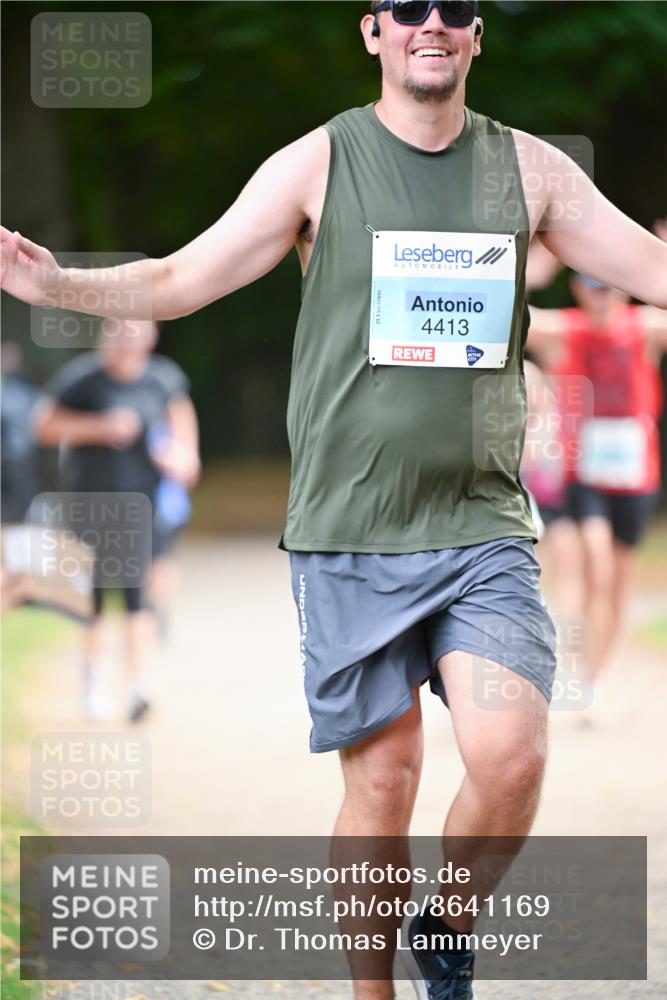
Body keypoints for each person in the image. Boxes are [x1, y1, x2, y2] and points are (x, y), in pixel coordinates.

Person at [2, 1, 666, 995]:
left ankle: (445, 925)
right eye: (408, 8)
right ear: (374, 31)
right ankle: (374, 989)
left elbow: (650, 267)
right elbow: (186, 276)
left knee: (512, 750)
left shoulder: (531, 171)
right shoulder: (316, 164)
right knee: (384, 778)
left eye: (455, 9)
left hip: (480, 519)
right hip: (348, 530)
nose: (430, 22)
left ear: (478, 35)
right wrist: (62, 290)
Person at [33, 319, 200, 723]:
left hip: (142, 510)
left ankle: (139, 686)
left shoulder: (164, 382)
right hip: (88, 505)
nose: (126, 343)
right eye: (119, 334)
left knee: (136, 600)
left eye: (134, 335)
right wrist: (98, 428)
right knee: (89, 600)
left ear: (150, 338)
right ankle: (93, 682)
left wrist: (173, 459)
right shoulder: (83, 379)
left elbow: (187, 456)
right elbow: (43, 426)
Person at [527, 262, 667, 681]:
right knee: (595, 560)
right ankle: (568, 664)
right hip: (580, 473)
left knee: (617, 579)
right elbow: (508, 314)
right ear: (578, 288)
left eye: (611, 283)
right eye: (593, 283)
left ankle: (595, 675)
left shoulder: (644, 328)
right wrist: (531, 268)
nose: (602, 291)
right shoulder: (563, 332)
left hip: (635, 475)